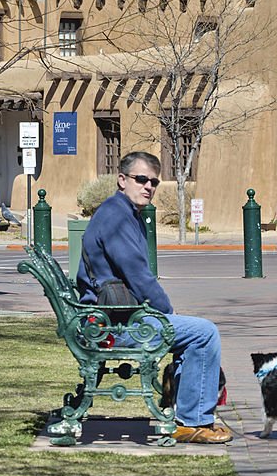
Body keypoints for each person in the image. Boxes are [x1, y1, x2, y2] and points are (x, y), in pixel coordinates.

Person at [76, 151, 232, 443]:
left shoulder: (121, 212)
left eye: (154, 182)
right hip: (113, 326)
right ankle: (193, 421)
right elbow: (139, 276)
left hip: (111, 319)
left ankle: (188, 413)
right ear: (122, 180)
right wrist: (167, 313)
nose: (148, 186)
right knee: (205, 333)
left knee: (195, 332)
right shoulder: (116, 217)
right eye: (141, 179)